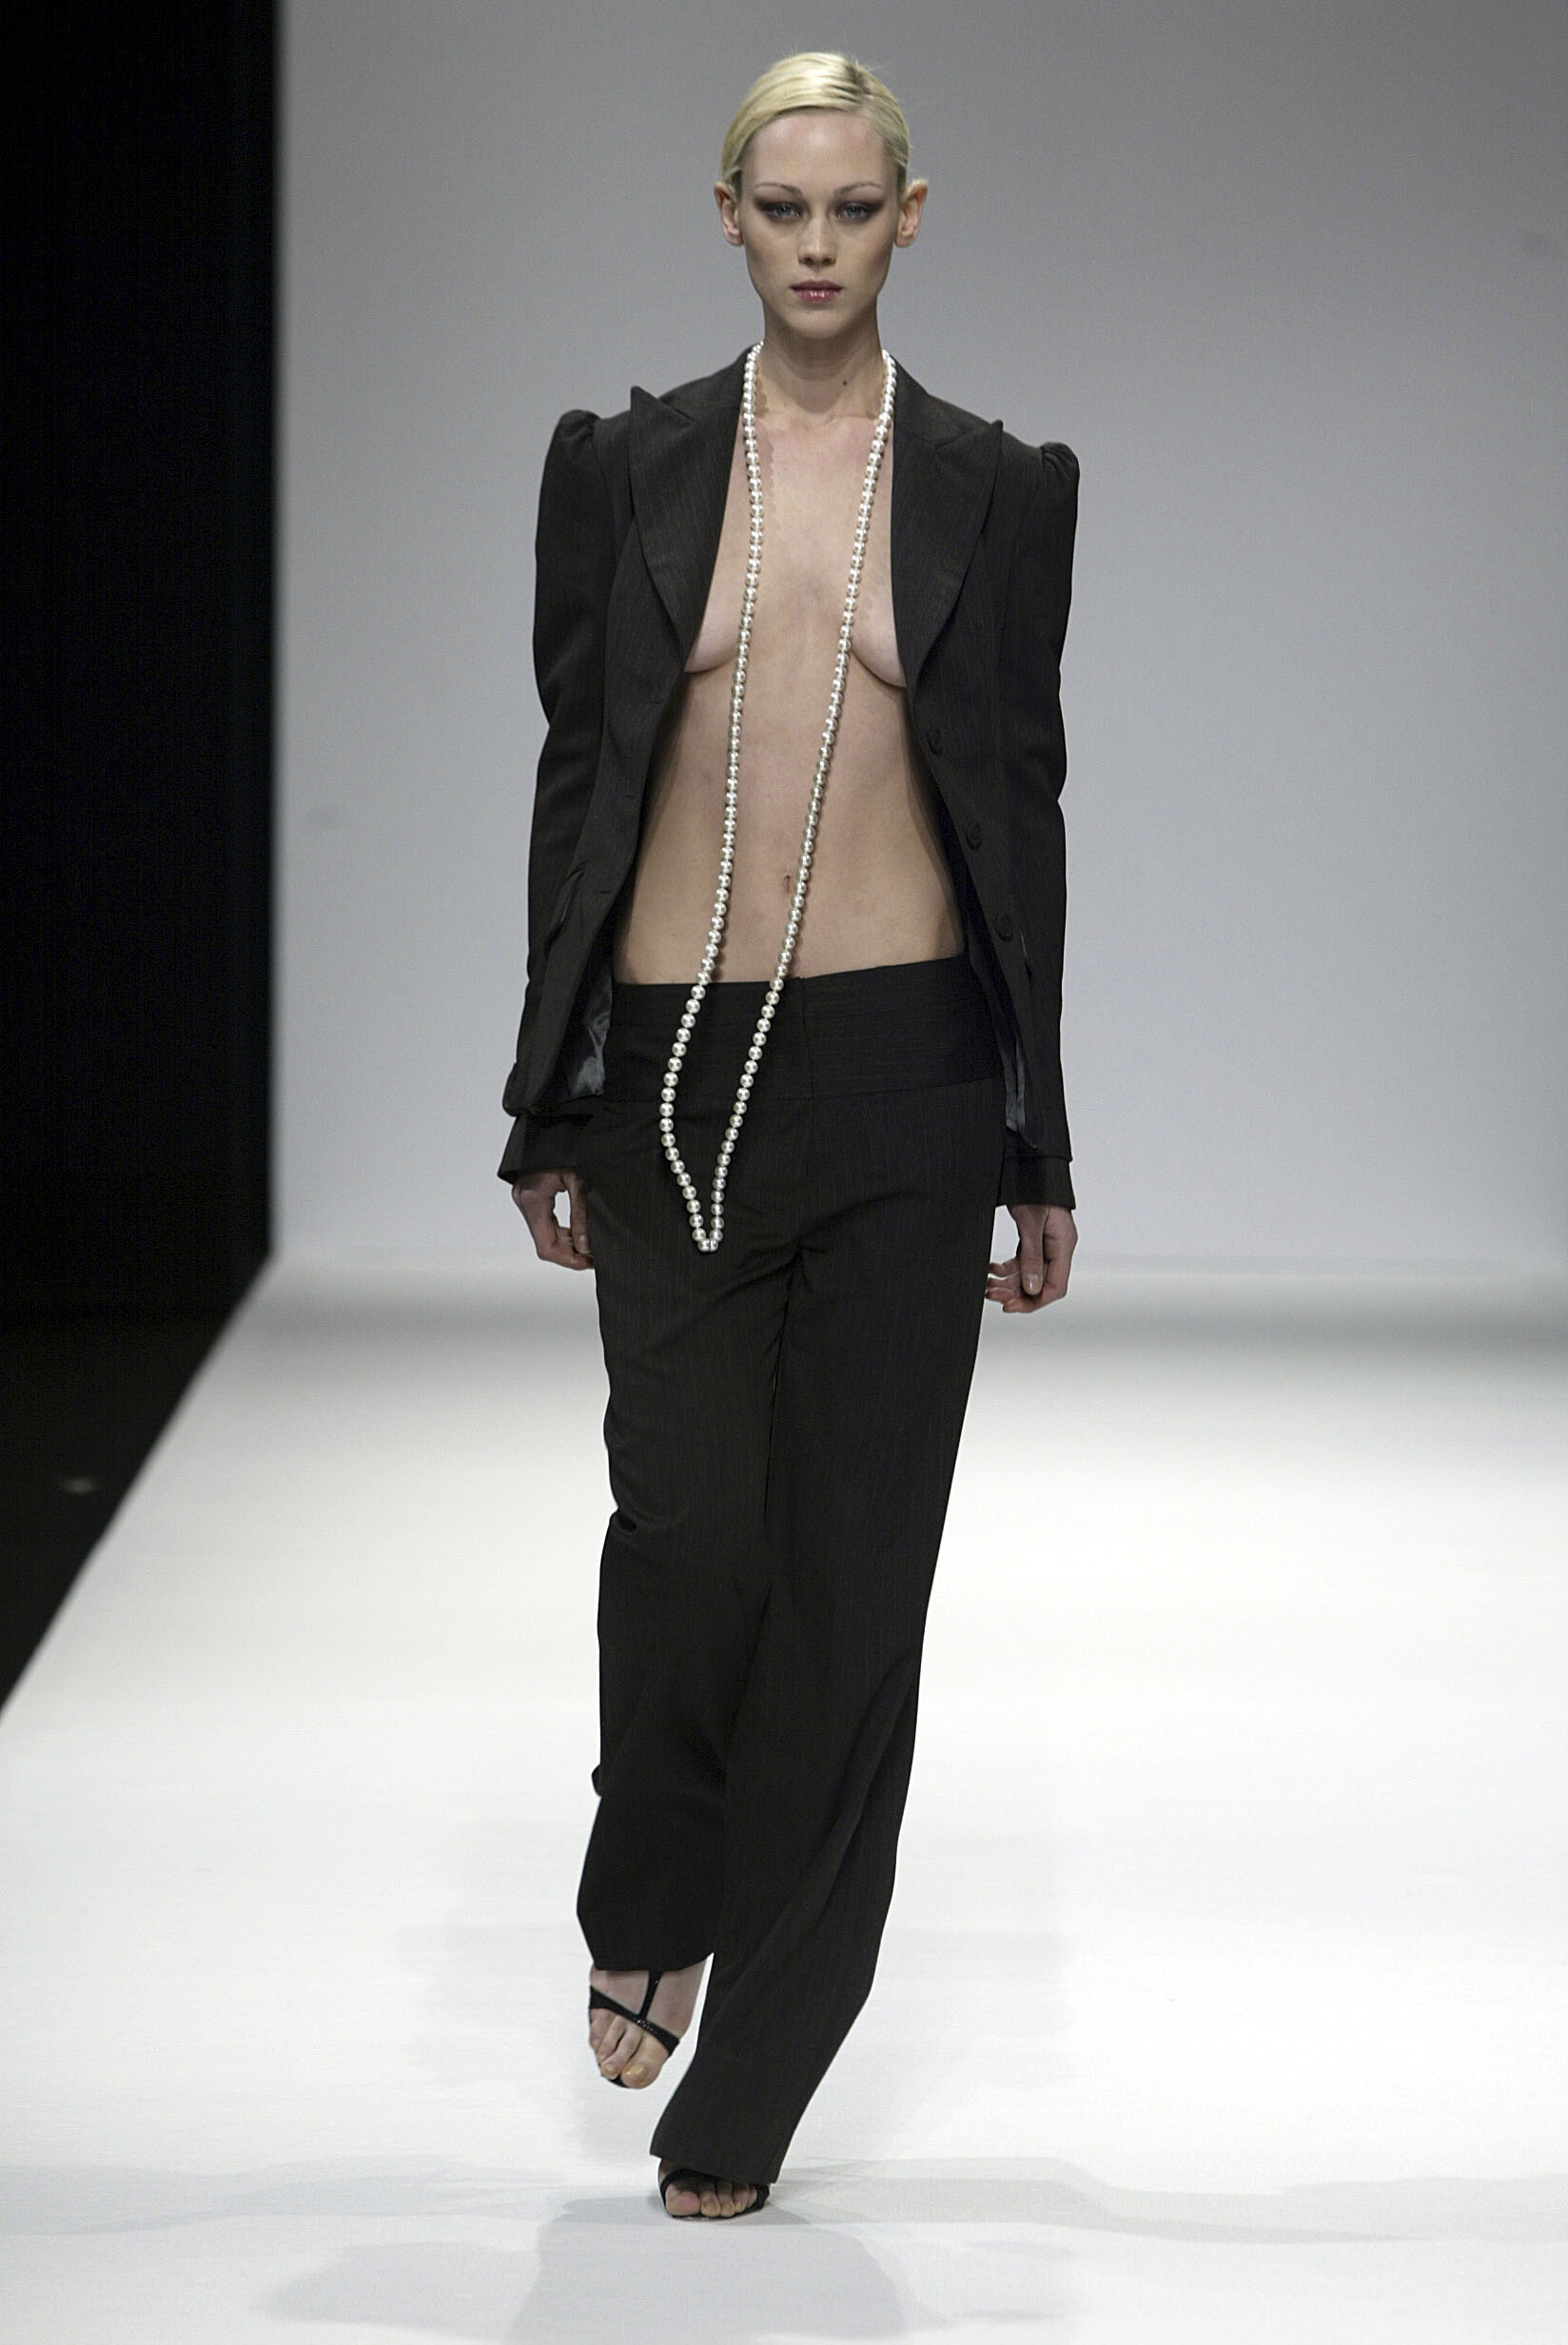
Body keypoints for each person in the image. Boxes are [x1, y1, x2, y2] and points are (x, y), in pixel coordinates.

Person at [499, 51, 1079, 2220]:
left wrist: (1033, 1133)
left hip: (910, 1078)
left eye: (852, 209)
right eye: (782, 207)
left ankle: (751, 2077)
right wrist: (545, 1085)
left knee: (854, 1584)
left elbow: (1016, 812)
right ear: (727, 216)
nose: (817, 244)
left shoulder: (998, 487)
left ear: (907, 218)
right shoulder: (625, 467)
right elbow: (581, 777)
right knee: (689, 1536)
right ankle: (654, 1871)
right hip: (673, 1068)